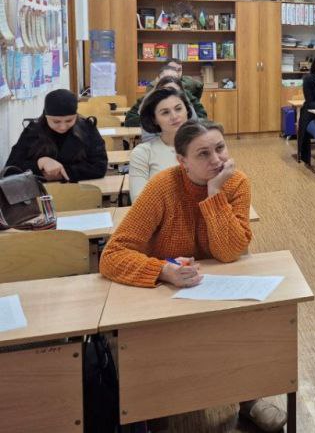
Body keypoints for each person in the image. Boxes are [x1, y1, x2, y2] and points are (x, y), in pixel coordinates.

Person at [99, 119, 286, 432]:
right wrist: (162, 270)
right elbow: (112, 255)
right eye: (203, 154)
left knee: (245, 324)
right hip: (168, 290)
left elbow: (229, 251)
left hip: (215, 283)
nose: (217, 159)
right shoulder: (162, 187)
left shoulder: (236, 183)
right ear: (181, 161)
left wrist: (214, 194)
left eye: (220, 148)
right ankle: (154, 403)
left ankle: (248, 398)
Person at [5, 88, 107, 181]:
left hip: (79, 190)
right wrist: (40, 162)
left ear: (76, 116)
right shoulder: (33, 131)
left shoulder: (87, 128)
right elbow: (10, 170)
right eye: (56, 122)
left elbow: (100, 167)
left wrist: (60, 174)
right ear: (46, 116)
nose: (63, 127)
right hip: (40, 192)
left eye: (69, 120)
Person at [128, 87, 191, 201]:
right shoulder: (143, 153)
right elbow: (139, 202)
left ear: (187, 110)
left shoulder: (205, 147)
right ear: (154, 120)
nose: (174, 116)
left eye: (178, 109)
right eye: (165, 112)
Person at [125, 70, 205, 129]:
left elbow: (202, 116)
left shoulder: (187, 97)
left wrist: (182, 121)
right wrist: (157, 121)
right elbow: (130, 120)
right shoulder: (148, 98)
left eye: (174, 91)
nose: (170, 96)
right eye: (165, 91)